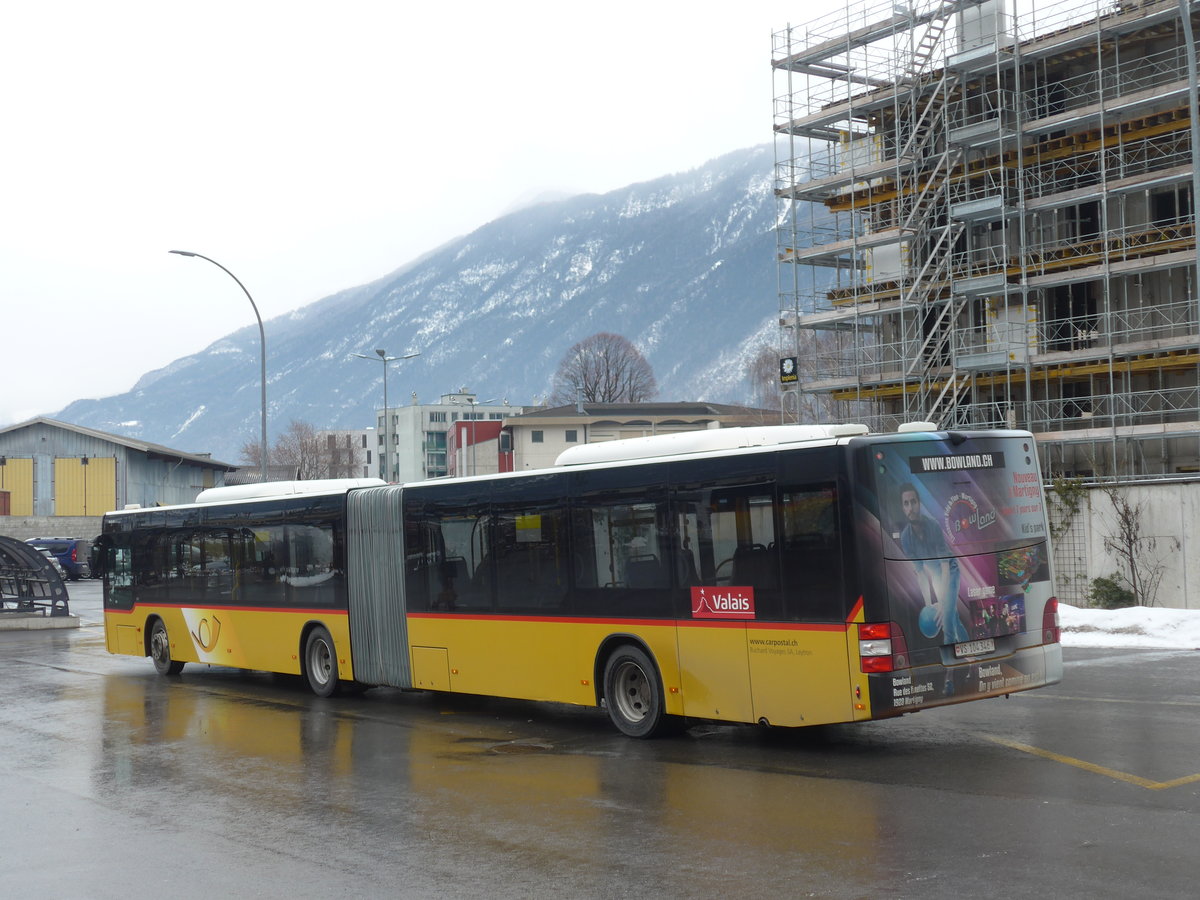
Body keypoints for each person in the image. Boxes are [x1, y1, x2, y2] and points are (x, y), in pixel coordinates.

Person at [898, 483, 969, 646]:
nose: (910, 507)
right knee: (954, 618)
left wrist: (943, 603)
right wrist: (929, 606)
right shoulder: (905, 538)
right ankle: (972, 655)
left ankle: (950, 669)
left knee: (948, 620)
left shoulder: (933, 526)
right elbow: (921, 574)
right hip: (937, 575)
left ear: (919, 504)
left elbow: (945, 567)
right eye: (906, 503)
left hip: (949, 571)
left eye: (913, 502)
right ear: (903, 508)